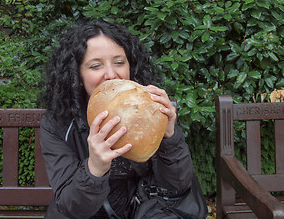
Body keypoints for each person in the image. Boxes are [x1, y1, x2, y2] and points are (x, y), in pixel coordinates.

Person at [40, 20, 206, 219]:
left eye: (119, 62)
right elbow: (71, 207)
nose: (111, 75)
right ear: (77, 74)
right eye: (95, 66)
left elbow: (177, 185)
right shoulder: (57, 123)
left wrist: (170, 137)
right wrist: (95, 168)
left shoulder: (150, 109)